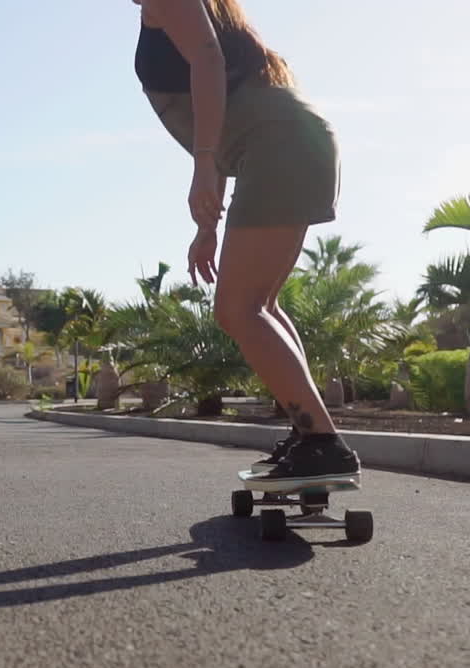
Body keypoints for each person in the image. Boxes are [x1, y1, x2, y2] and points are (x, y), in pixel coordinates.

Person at [132, 0, 359, 489]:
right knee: (260, 304)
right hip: (286, 142)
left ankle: (322, 442)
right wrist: (209, 227)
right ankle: (311, 437)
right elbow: (228, 102)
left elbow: (208, 61)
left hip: (276, 144)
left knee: (237, 309)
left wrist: (205, 164)